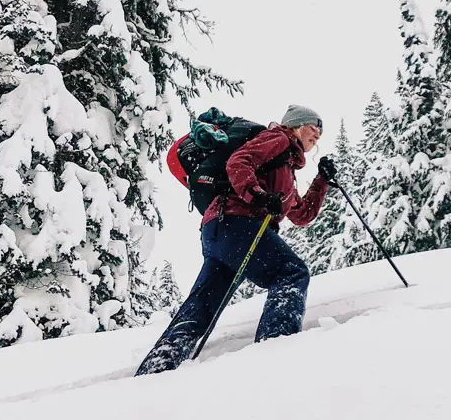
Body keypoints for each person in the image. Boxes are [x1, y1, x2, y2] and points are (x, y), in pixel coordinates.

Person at [136, 105, 338, 376]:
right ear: (296, 126)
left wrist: (321, 181)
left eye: (320, 131)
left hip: (220, 231)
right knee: (291, 273)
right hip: (236, 223)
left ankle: (154, 373)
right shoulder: (277, 139)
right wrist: (258, 196)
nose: (318, 134)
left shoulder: (286, 172)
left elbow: (301, 215)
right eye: (314, 127)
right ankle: (276, 355)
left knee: (202, 308)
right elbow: (238, 162)